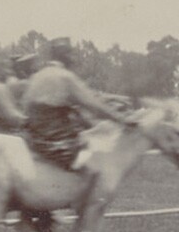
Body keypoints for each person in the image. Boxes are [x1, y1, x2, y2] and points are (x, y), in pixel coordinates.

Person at [21, 37, 128, 171]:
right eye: (71, 54)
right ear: (65, 56)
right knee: (98, 155)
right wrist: (121, 119)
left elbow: (25, 107)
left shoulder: (37, 76)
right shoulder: (65, 76)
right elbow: (93, 105)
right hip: (58, 143)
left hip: (34, 142)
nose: (74, 58)